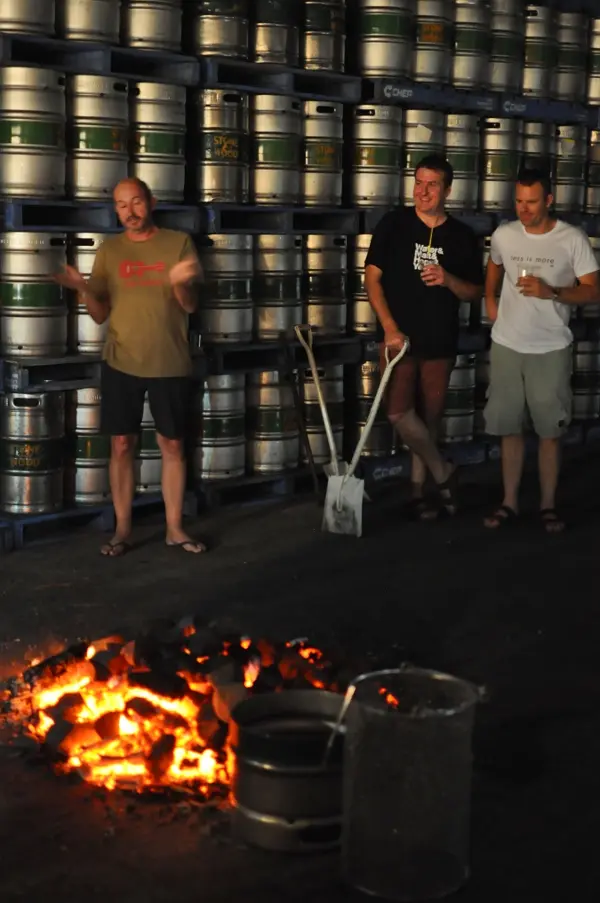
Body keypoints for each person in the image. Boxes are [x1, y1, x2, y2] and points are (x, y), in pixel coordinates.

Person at [54, 177, 206, 557]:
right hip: (121, 361)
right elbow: (100, 314)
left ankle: (174, 528)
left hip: (169, 360)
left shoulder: (177, 243)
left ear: (151, 202)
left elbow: (190, 306)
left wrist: (179, 283)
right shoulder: (110, 250)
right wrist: (84, 289)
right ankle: (122, 529)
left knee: (173, 444)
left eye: (136, 202)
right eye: (122, 205)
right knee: (121, 445)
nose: (130, 212)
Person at [364, 154, 484, 519]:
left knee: (429, 419)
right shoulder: (395, 224)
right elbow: (372, 279)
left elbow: (474, 292)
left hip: (439, 337)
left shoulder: (462, 236)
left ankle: (419, 492)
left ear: (448, 190)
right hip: (398, 337)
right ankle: (444, 472)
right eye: (418, 183)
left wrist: (448, 279)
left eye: (432, 184)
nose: (423, 191)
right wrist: (389, 327)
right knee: (399, 412)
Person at [483, 168, 600, 534]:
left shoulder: (571, 239)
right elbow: (494, 266)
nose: (524, 209)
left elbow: (592, 290)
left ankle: (548, 505)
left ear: (548, 200)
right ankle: (510, 502)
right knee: (509, 427)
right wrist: (490, 300)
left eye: (531, 202)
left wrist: (553, 292)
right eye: (519, 201)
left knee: (550, 431)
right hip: (507, 344)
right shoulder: (504, 234)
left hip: (550, 346)